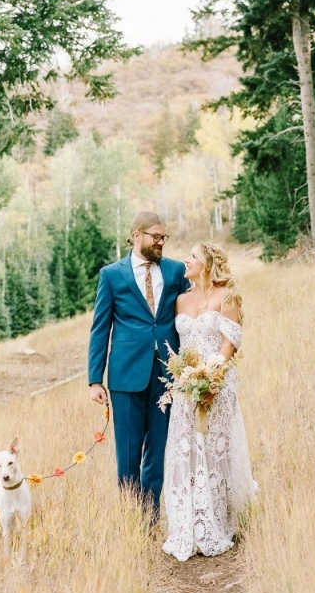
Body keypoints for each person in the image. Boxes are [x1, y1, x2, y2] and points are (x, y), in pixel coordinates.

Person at [88, 210, 189, 519]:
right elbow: (100, 328)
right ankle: (131, 517)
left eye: (164, 237)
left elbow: (189, 315)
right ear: (136, 235)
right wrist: (95, 379)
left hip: (167, 376)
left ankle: (151, 515)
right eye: (155, 237)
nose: (161, 242)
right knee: (128, 455)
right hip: (125, 377)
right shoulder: (111, 274)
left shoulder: (175, 272)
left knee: (157, 453)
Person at [163, 242, 258, 561]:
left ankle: (217, 520)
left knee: (215, 450)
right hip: (184, 385)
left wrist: (212, 378)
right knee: (186, 449)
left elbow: (230, 342)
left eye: (192, 256)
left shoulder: (226, 297)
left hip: (217, 383)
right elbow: (179, 344)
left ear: (206, 263)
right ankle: (186, 525)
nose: (185, 261)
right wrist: (186, 377)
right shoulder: (179, 300)